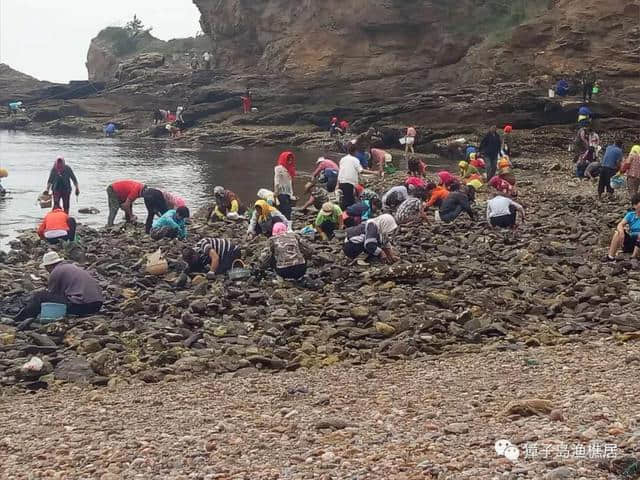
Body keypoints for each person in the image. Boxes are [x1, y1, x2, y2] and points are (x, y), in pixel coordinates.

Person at [14, 252, 103, 330]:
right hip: (96, 305)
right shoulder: (71, 267)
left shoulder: (56, 271)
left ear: (48, 266)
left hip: (82, 306)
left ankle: (22, 317)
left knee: (40, 296)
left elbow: (51, 295)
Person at [338, 143, 377, 209]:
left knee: (343, 200)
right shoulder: (355, 160)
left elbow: (340, 171)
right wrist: (374, 172)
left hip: (341, 182)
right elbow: (361, 170)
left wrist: (337, 184)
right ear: (355, 151)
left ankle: (343, 214)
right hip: (349, 182)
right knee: (349, 202)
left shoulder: (343, 159)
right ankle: (348, 215)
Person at [606, 194, 640, 261]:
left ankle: (634, 256)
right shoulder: (631, 215)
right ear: (635, 205)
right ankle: (610, 256)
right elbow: (620, 224)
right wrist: (621, 231)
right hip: (631, 241)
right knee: (617, 233)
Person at [274, 151, 296, 220]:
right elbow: (276, 181)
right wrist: (276, 192)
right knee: (286, 209)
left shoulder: (290, 168)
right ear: (284, 159)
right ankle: (285, 225)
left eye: (291, 159)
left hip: (288, 193)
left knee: (287, 209)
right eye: (288, 159)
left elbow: (290, 182)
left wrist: (292, 194)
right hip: (281, 192)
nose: (290, 160)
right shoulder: (279, 168)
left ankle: (286, 224)